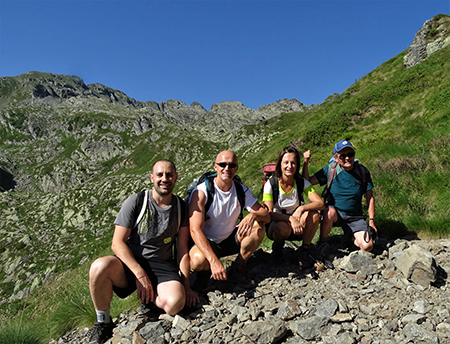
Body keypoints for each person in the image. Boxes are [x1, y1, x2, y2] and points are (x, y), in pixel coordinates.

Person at [87, 160, 199, 344]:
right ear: (152, 178)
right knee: (99, 267)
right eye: (160, 175)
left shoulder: (180, 207)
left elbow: (181, 249)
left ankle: (149, 301)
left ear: (176, 177)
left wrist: (187, 286)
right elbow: (117, 243)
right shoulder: (137, 201)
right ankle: (103, 322)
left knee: (175, 303)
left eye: (169, 175)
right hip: (131, 262)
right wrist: (140, 273)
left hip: (162, 264)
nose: (165, 179)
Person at [188, 150, 270, 289]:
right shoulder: (201, 192)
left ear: (236, 168)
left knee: (258, 228)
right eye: (222, 164)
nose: (227, 168)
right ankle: (203, 277)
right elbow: (194, 230)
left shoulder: (241, 190)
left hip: (230, 238)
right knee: (196, 260)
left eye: (231, 165)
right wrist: (213, 260)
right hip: (208, 242)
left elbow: (266, 216)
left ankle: (238, 265)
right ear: (215, 167)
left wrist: (253, 215)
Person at [302, 140, 377, 259]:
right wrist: (306, 162)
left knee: (367, 246)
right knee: (329, 212)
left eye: (350, 154)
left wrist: (371, 221)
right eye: (343, 156)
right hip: (336, 214)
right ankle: (322, 243)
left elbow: (370, 197)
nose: (347, 158)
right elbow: (308, 182)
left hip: (355, 217)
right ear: (336, 158)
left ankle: (350, 237)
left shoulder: (362, 171)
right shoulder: (330, 170)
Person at [262, 145, 324, 267]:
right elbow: (269, 214)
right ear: (280, 164)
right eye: (286, 162)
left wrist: (301, 208)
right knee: (281, 226)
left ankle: (304, 250)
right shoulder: (271, 184)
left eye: (293, 163)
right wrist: (290, 219)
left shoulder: (301, 182)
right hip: (277, 225)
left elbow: (320, 203)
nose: (289, 166)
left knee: (314, 214)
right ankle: (278, 249)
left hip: (297, 224)